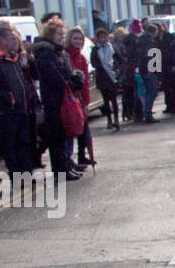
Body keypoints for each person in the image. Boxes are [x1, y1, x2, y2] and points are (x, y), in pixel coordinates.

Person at [31, 18, 84, 180]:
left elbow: (66, 72)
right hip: (54, 100)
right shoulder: (46, 53)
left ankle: (66, 165)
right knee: (57, 136)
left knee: (63, 135)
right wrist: (71, 81)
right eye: (59, 34)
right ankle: (61, 170)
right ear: (51, 35)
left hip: (62, 97)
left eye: (63, 34)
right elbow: (55, 77)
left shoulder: (58, 52)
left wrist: (74, 78)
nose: (62, 37)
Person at [0, 22, 38, 177]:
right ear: (1, 40)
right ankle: (16, 175)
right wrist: (8, 98)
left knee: (25, 142)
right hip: (7, 110)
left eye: (15, 38)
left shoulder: (16, 57)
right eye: (11, 38)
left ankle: (27, 175)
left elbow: (30, 78)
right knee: (11, 145)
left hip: (23, 107)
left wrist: (27, 64)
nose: (15, 41)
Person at [65, 26, 94, 165]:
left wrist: (86, 100)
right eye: (75, 38)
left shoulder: (82, 57)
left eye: (80, 39)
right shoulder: (66, 55)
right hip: (70, 98)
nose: (77, 41)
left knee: (84, 129)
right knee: (71, 129)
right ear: (69, 39)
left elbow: (86, 80)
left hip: (80, 97)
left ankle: (82, 155)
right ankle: (69, 159)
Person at [90, 27, 120, 130]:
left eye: (104, 37)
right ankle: (109, 120)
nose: (103, 39)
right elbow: (93, 62)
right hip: (102, 78)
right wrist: (101, 66)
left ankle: (116, 119)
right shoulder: (95, 49)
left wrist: (116, 68)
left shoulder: (111, 47)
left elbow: (118, 59)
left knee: (114, 100)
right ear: (97, 38)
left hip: (112, 77)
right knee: (106, 101)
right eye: (101, 37)